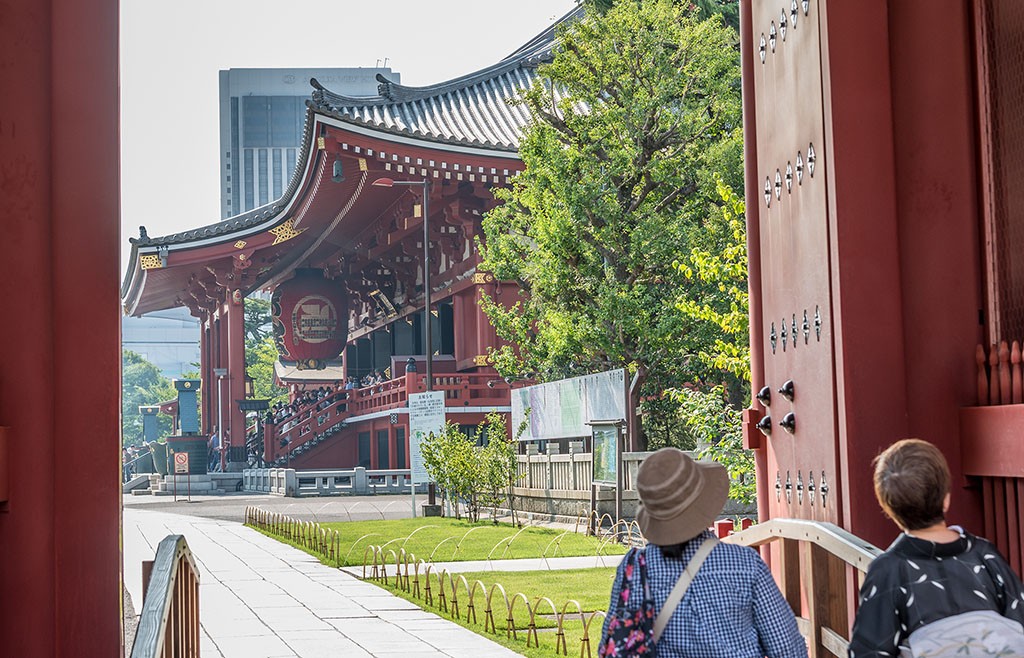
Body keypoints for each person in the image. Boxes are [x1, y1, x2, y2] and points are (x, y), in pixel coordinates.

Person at [599, 447, 806, 657]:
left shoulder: (633, 568)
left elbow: (610, 642)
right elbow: (786, 648)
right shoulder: (744, 564)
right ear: (702, 507)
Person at [848, 439, 1024, 657]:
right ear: (946, 500)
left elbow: (869, 651)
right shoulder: (984, 555)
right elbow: (1019, 620)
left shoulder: (888, 571)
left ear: (889, 509)